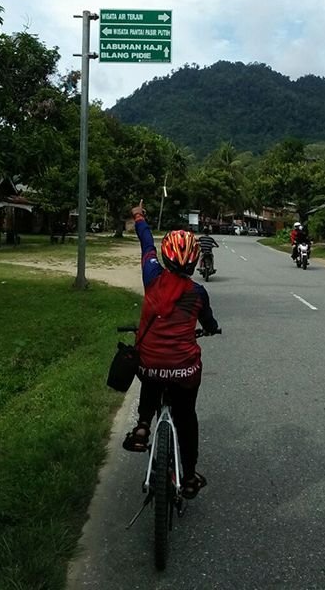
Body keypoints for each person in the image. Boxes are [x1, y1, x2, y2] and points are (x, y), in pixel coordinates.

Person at [122, 200, 220, 500]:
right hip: (184, 369)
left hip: (149, 363)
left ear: (166, 256)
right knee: (186, 416)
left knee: (150, 372)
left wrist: (139, 215)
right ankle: (188, 476)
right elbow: (209, 321)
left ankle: (141, 425)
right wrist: (213, 327)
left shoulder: (152, 277)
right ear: (193, 262)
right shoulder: (198, 292)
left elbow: (145, 243)